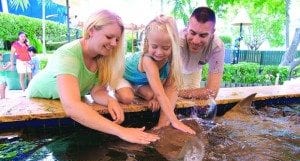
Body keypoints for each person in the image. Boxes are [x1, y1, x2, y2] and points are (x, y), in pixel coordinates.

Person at [27, 9, 159, 145]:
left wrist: (110, 101)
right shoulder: (68, 55)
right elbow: (71, 106)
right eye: (109, 37)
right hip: (37, 98)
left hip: (60, 99)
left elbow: (97, 91)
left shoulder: (103, 57)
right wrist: (121, 131)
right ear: (91, 31)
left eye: (117, 39)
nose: (114, 44)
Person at [123, 15, 195, 134]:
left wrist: (163, 122)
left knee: (152, 94)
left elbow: (169, 87)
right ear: (147, 43)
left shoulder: (173, 60)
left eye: (166, 48)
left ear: (173, 45)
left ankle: (161, 121)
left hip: (146, 82)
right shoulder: (148, 60)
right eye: (154, 46)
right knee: (131, 96)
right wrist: (175, 121)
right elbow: (161, 94)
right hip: (125, 78)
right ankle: (134, 88)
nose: (159, 52)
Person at [178, 7, 225, 99]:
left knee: (192, 104)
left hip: (194, 72)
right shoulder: (177, 40)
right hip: (175, 70)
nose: (195, 41)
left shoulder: (217, 47)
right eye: (192, 33)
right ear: (188, 26)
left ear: (212, 32)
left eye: (203, 35)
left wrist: (178, 93)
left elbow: (212, 92)